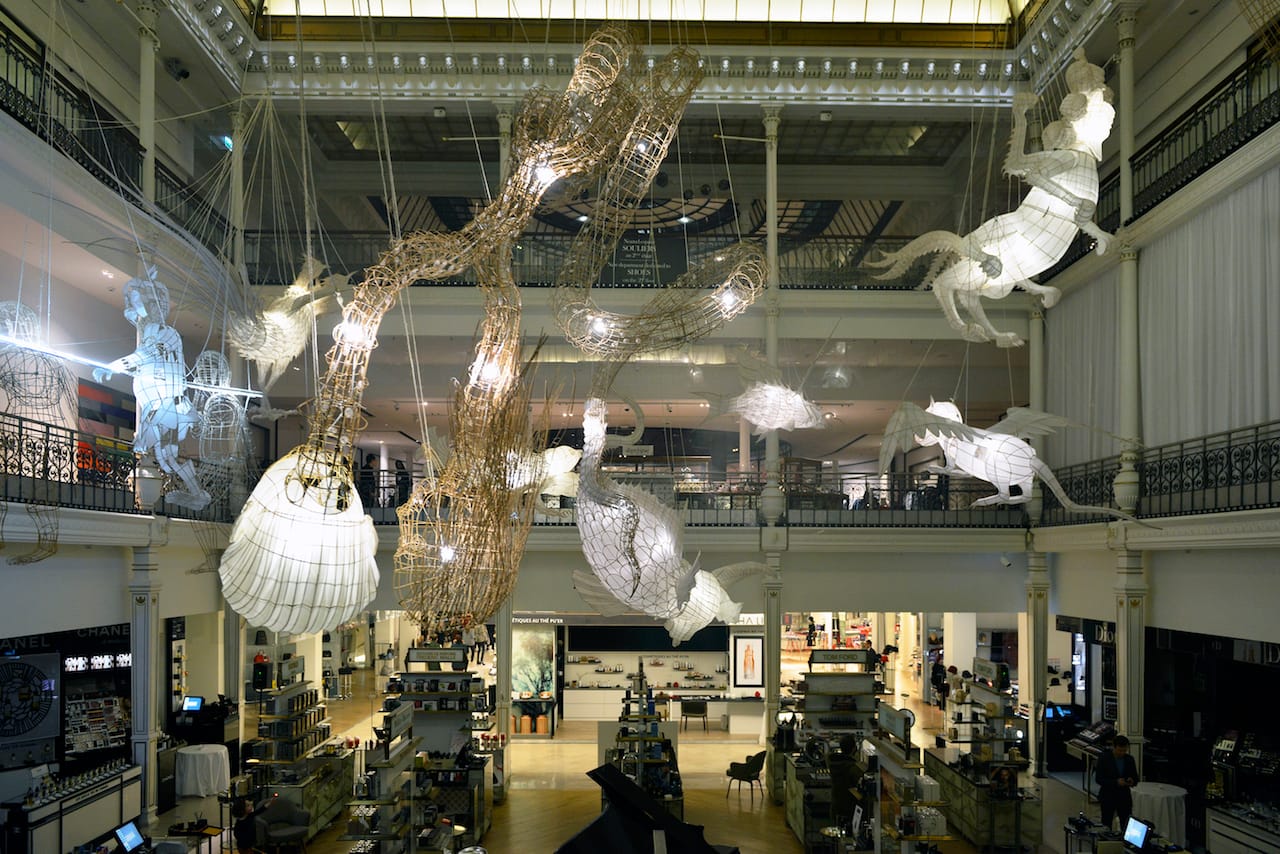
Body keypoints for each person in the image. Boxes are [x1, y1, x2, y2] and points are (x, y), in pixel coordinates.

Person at [1095, 734, 1139, 829]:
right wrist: (1116, 782)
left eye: (1124, 750)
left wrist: (1132, 780)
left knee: (1126, 823)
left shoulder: (1129, 759)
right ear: (1113, 747)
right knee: (1106, 822)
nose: (1122, 753)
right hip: (1108, 796)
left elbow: (1135, 777)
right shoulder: (1104, 758)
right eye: (1119, 750)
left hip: (1124, 797)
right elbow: (1098, 779)